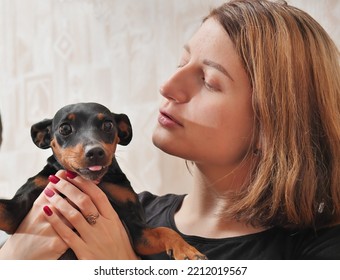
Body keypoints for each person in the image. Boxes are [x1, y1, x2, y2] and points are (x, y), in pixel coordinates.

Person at [0, 0, 340, 260]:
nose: (167, 85)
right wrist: (13, 257)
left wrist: (122, 267)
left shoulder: (320, 252)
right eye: (182, 62)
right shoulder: (131, 210)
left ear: (273, 124)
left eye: (208, 81)